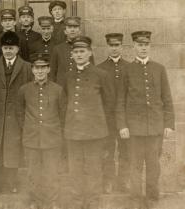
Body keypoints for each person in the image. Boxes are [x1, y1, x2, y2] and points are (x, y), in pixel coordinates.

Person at [116, 31, 175, 209]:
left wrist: (169, 124)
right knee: (134, 165)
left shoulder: (159, 68)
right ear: (134, 46)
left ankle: (151, 198)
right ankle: (135, 199)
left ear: (149, 46)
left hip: (155, 127)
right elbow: (120, 100)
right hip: (134, 129)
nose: (143, 48)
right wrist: (122, 125)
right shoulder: (127, 70)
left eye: (146, 44)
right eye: (139, 45)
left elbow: (167, 98)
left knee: (153, 165)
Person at [63, 36, 115, 209]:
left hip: (95, 132)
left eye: (82, 51)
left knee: (93, 168)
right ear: (72, 55)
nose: (79, 54)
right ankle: (77, 202)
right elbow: (63, 104)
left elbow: (109, 105)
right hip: (73, 132)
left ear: (89, 53)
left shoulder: (101, 75)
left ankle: (93, 203)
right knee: (75, 169)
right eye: (76, 52)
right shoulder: (67, 76)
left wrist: (104, 130)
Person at [0, 31, 32, 195]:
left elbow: (30, 93)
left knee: (13, 150)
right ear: (1, 49)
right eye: (5, 48)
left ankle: (12, 182)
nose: (8, 51)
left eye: (11, 48)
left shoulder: (27, 67)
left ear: (18, 49)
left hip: (16, 116)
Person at [17, 53, 66, 209]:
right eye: (36, 68)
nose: (40, 71)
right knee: (33, 173)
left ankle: (52, 201)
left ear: (48, 69)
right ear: (32, 70)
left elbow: (63, 114)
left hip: (52, 139)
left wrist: (56, 132)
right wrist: (28, 128)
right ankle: (35, 201)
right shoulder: (24, 90)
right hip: (31, 138)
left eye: (43, 68)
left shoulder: (58, 90)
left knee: (52, 172)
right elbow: (19, 113)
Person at [97, 33, 131, 194]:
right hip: (107, 118)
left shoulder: (129, 67)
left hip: (125, 119)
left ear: (122, 46)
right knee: (107, 150)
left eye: (117, 45)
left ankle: (123, 181)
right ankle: (107, 181)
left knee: (126, 150)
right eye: (111, 45)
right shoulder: (100, 68)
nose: (114, 48)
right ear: (107, 47)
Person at [50, 16, 82, 85]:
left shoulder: (85, 49)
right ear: (65, 31)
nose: (72, 30)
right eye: (69, 27)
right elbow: (52, 72)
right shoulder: (57, 49)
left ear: (79, 31)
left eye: (75, 27)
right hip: (61, 87)